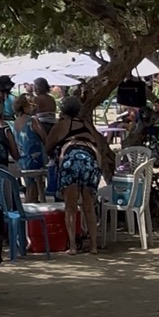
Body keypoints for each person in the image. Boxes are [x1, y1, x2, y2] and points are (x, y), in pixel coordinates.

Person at [43, 96, 108, 254]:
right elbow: (98, 144)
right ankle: (93, 246)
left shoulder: (60, 126)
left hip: (70, 161)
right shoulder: (87, 125)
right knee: (89, 206)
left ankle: (72, 246)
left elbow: (48, 147)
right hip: (90, 161)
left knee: (70, 207)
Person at [13, 95, 47, 201]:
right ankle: (33, 205)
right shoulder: (32, 120)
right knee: (36, 186)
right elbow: (44, 137)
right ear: (25, 106)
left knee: (30, 185)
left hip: (22, 158)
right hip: (34, 158)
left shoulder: (16, 121)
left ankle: (31, 202)